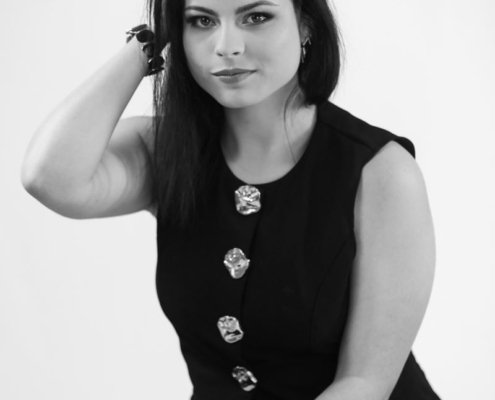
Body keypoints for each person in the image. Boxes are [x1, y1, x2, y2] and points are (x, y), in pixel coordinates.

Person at [20, 0, 440, 399]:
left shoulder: (380, 172)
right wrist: (145, 44)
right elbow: (50, 178)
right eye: (201, 20)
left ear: (306, 24)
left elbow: (364, 384)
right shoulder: (166, 151)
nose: (226, 46)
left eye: (255, 17)